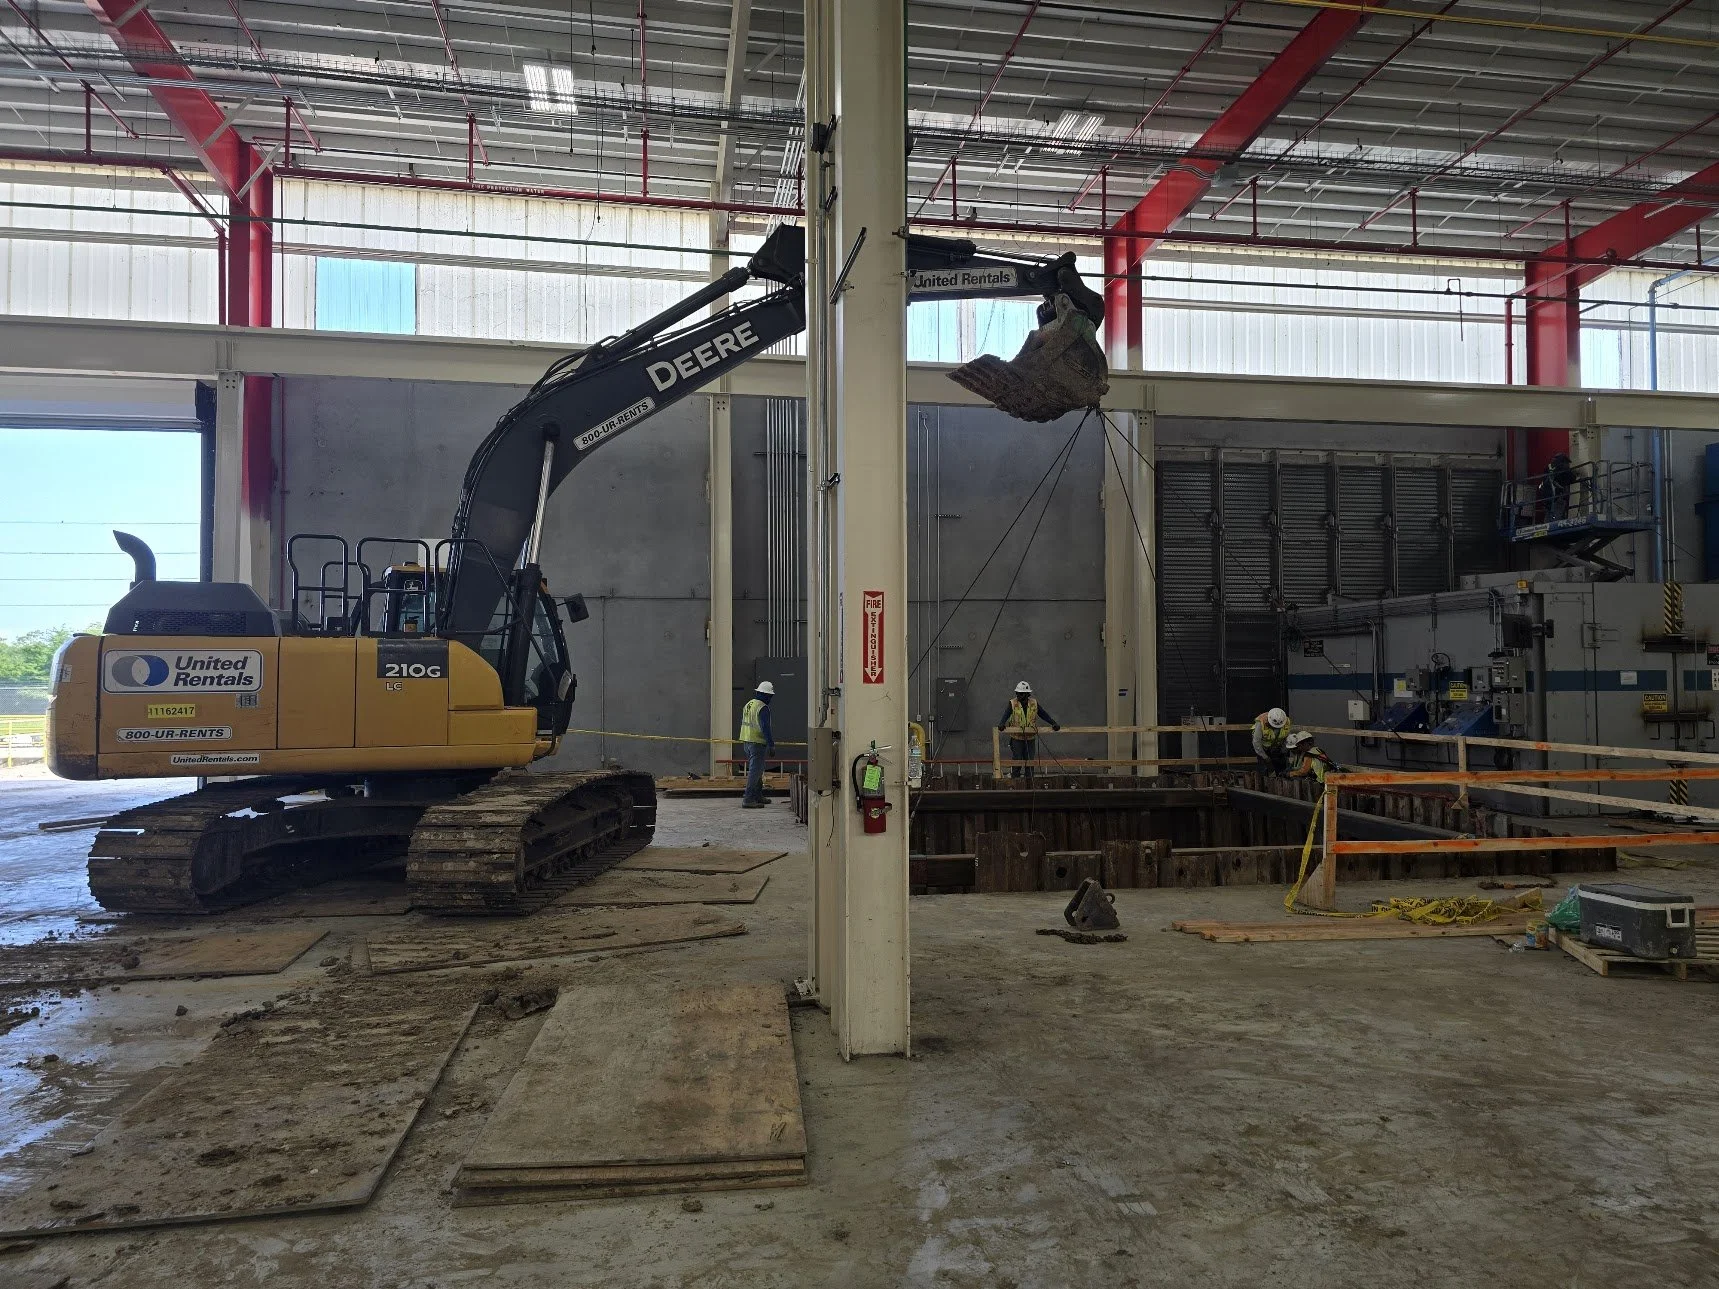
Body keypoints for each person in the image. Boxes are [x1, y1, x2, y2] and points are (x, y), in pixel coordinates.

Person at [996, 680, 1060, 780]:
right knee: (1017, 760)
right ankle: (1015, 779)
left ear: (1027, 694)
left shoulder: (1034, 703)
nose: (1018, 696)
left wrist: (1053, 723)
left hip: (1030, 738)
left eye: (1021, 694)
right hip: (1017, 738)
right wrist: (1001, 723)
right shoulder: (1012, 703)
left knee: (1030, 761)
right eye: (1017, 693)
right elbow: (1006, 714)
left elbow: (1043, 714)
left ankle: (1029, 780)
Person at [738, 681, 776, 808]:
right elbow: (765, 727)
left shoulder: (749, 704)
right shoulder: (762, 707)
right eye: (770, 696)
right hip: (757, 743)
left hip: (746, 741)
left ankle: (757, 795)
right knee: (755, 771)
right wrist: (771, 744)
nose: (770, 699)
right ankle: (748, 799)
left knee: (758, 769)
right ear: (765, 695)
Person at [1251, 706, 1292, 776]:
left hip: (1278, 748)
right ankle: (1264, 780)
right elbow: (1256, 742)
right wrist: (1264, 756)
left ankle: (1280, 780)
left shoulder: (1286, 721)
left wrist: (1283, 750)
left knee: (1281, 767)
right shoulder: (1261, 722)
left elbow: (1288, 738)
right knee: (1263, 769)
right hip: (1263, 748)